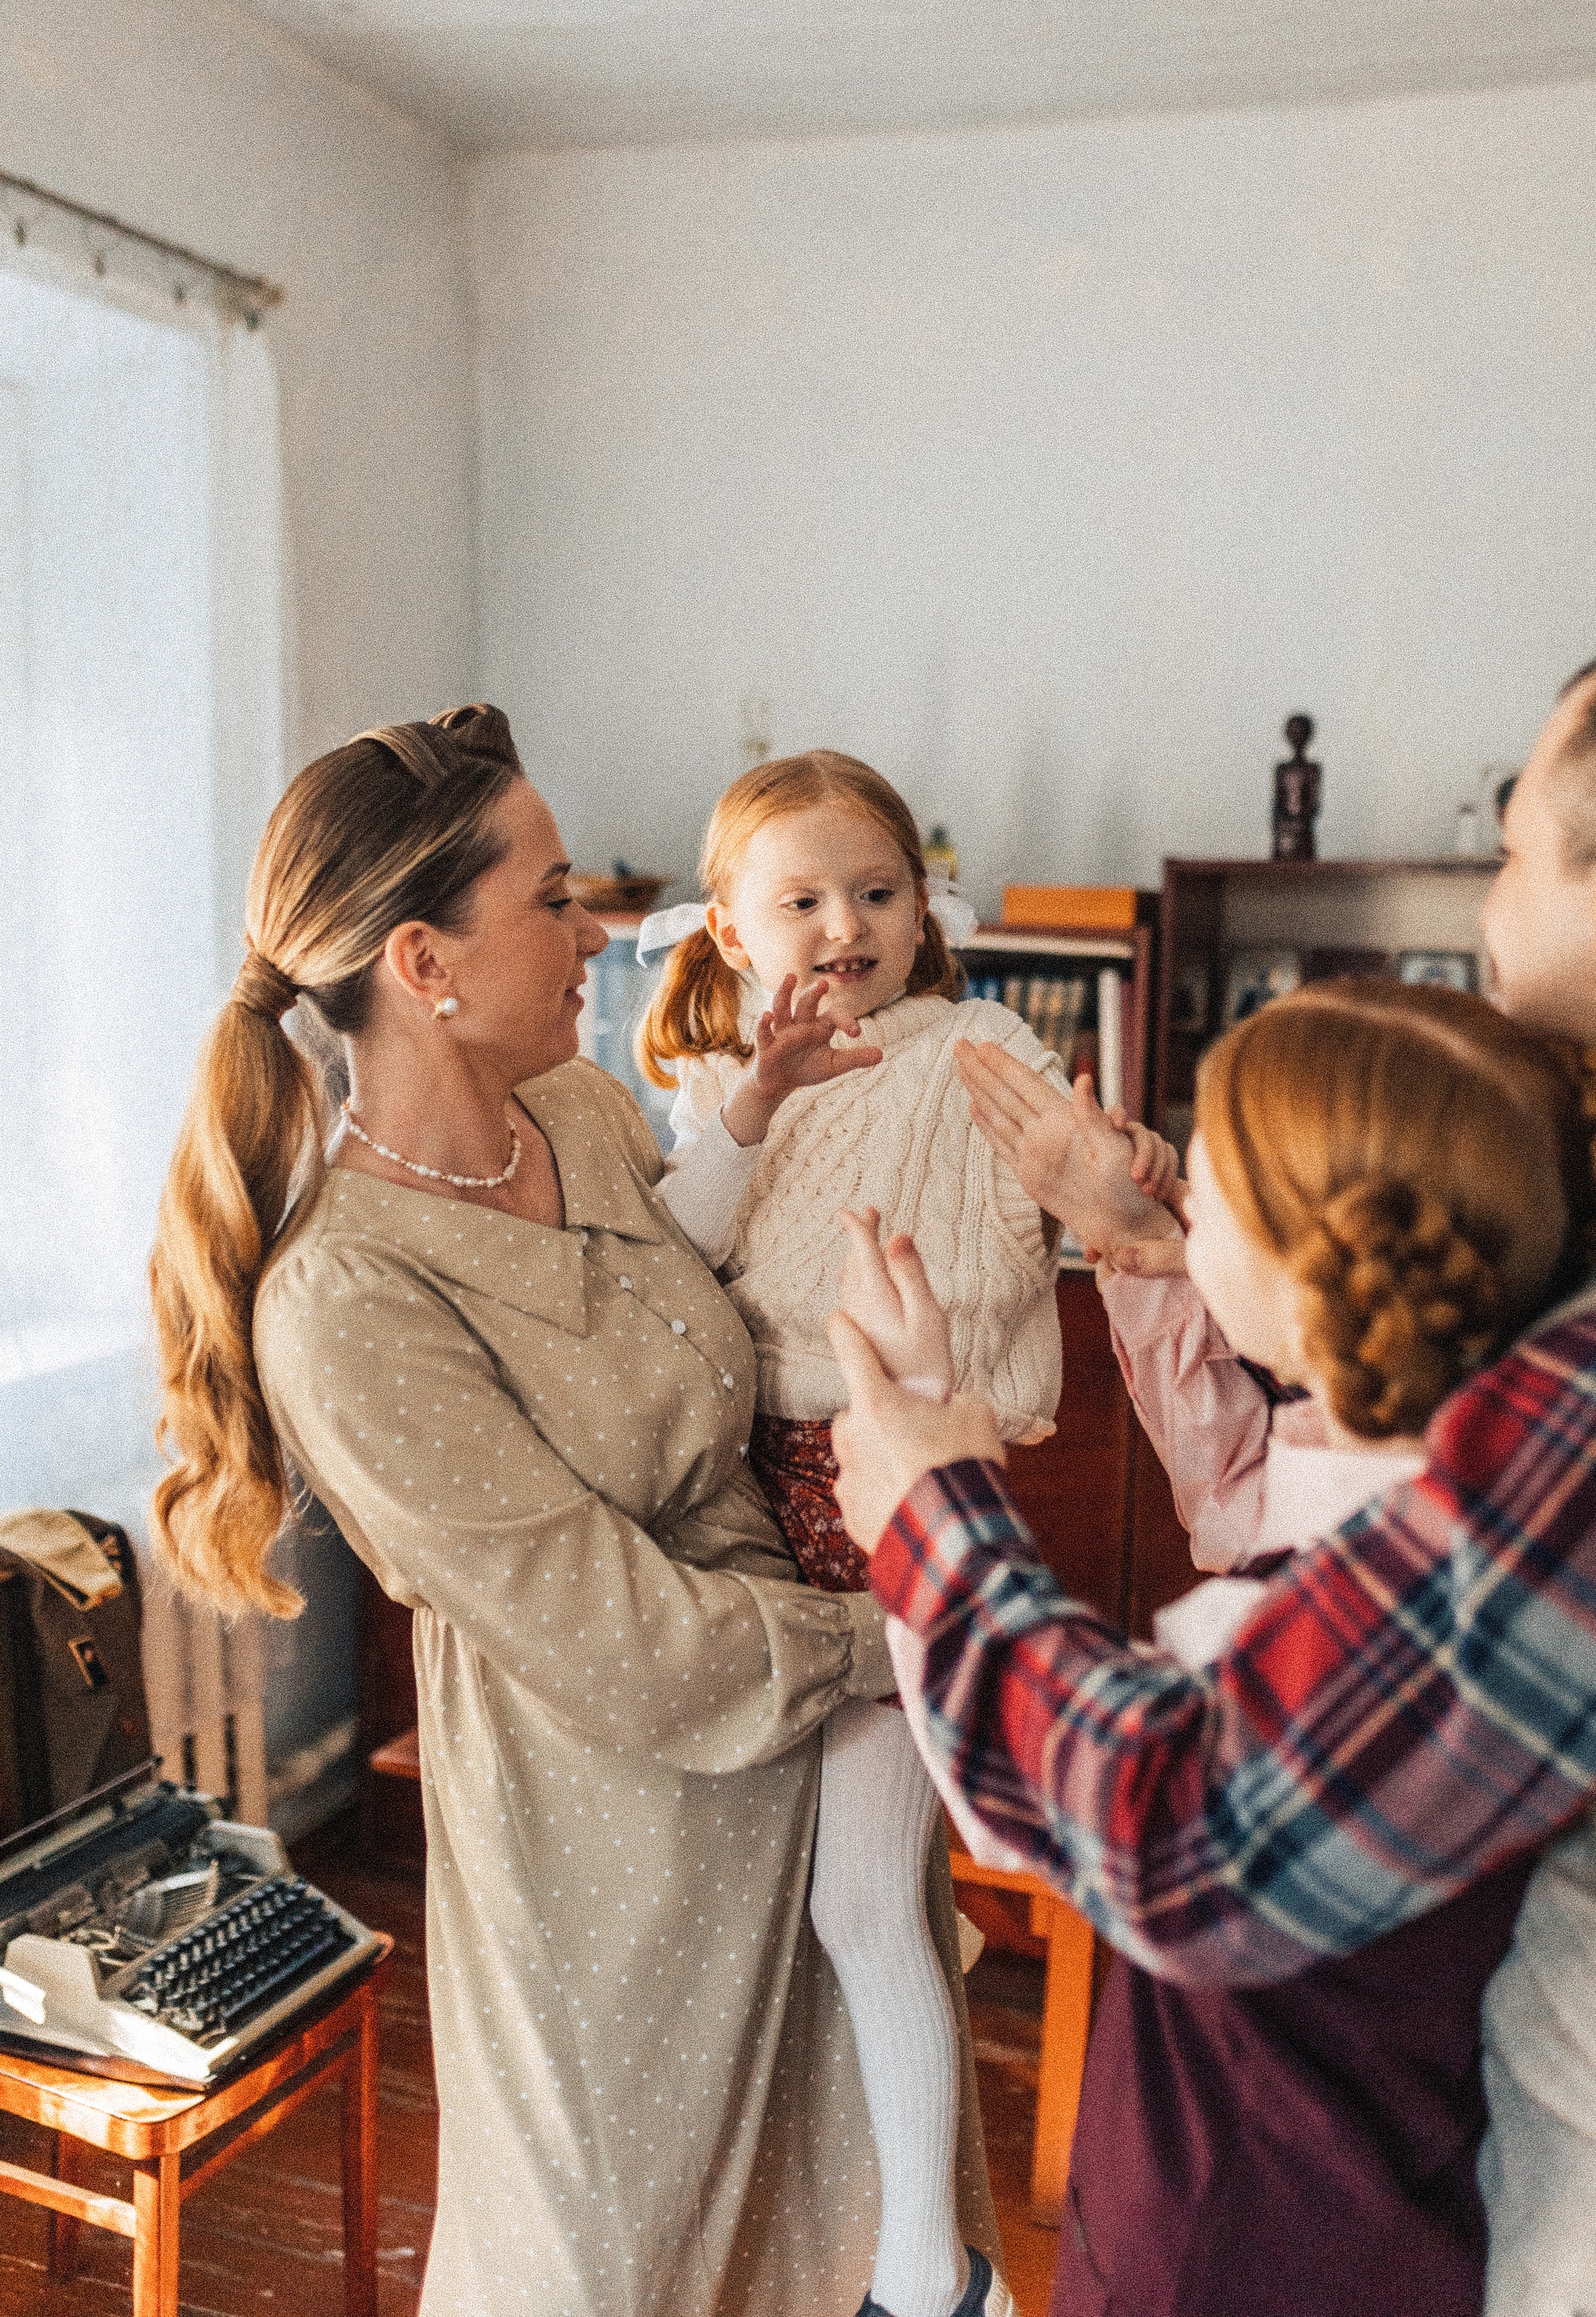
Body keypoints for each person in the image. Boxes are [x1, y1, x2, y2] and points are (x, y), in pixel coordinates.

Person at [146, 704, 998, 2317]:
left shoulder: (596, 1122)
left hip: (813, 1775)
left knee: (869, 2231)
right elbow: (627, 1642)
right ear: (423, 962)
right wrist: (919, 1624)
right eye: (548, 898)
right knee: (621, 2259)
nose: (594, 928)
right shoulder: (349, 1298)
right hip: (617, 1850)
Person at [821, 643, 1596, 2317]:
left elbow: (1166, 1823)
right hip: (1429, 2174)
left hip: (1328, 2210)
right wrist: (1148, 1255)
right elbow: (1274, 1492)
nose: (1489, 908)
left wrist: (930, 1510)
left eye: (1510, 847)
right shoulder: (1527, 1306)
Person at [634, 749, 1079, 2317]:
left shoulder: (978, 1042)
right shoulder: (714, 1085)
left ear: (923, 906)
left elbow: (1071, 1198)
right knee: (826, 1895)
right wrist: (748, 1106)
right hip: (753, 1500)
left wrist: (1101, 1184)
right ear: (730, 931)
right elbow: (673, 1255)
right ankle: (907, 2253)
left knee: (880, 1892)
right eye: (804, 900)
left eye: (877, 892)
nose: (845, 928)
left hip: (906, 1479)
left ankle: (931, 2272)